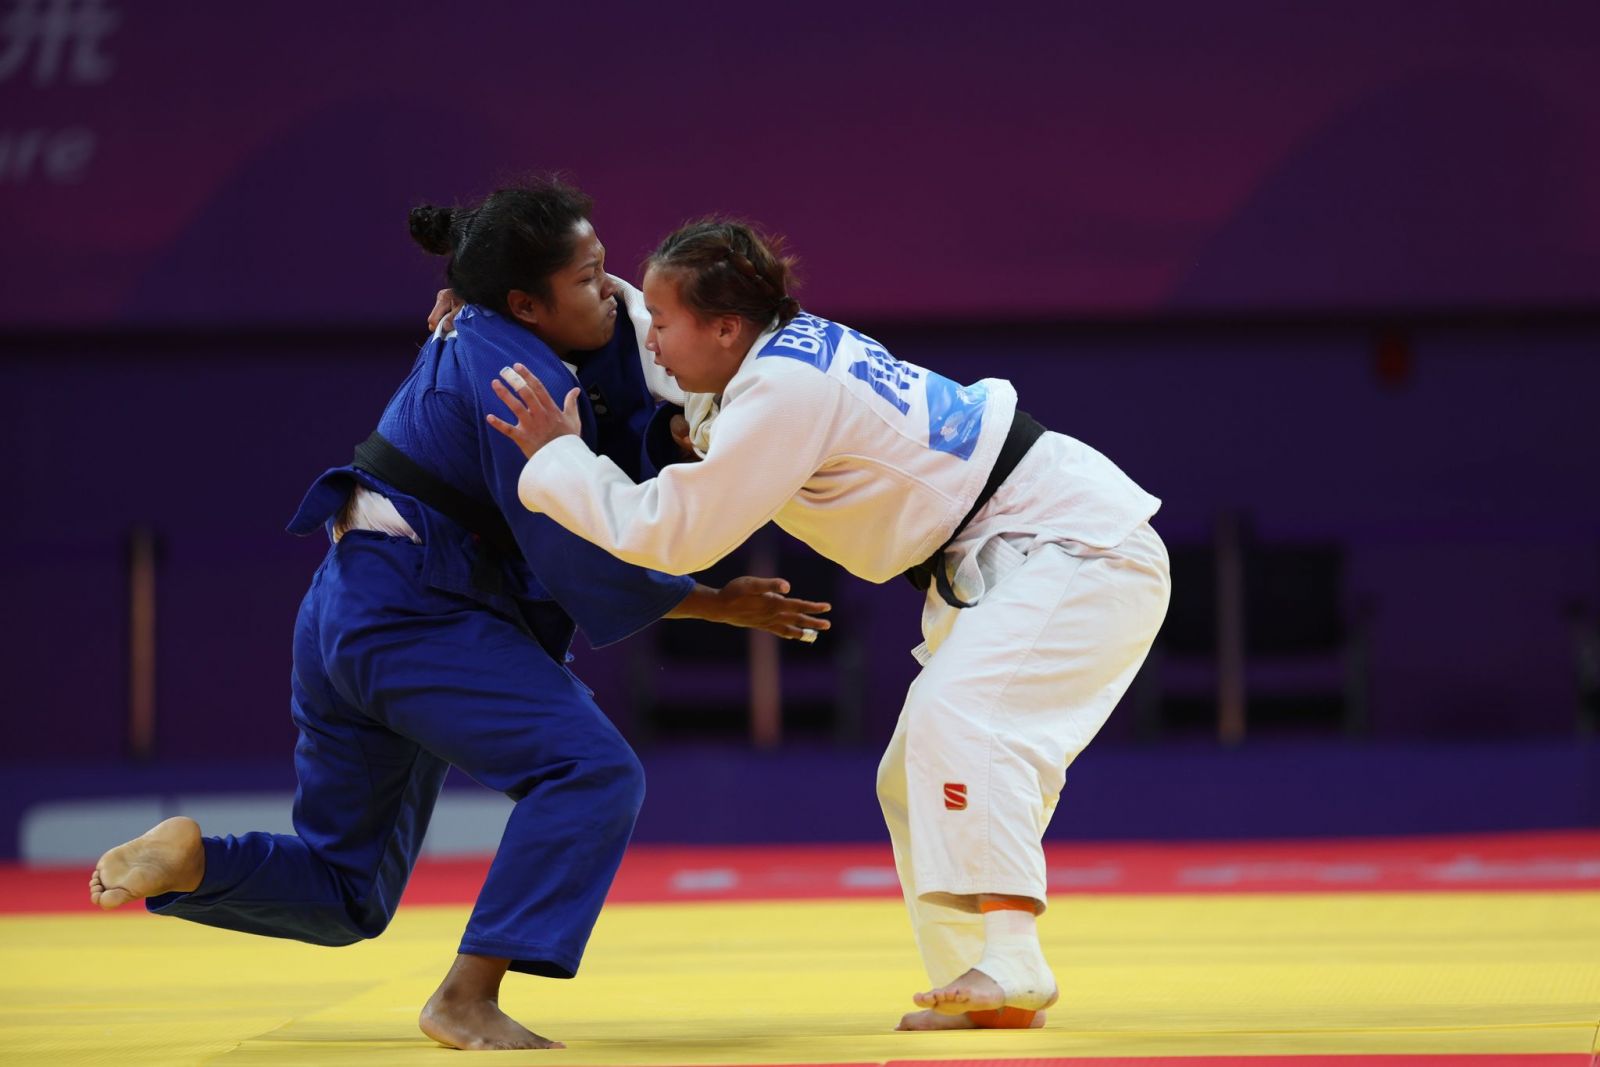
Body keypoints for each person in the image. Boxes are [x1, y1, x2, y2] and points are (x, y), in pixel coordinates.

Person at [88, 183, 830, 1052]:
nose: (609, 289)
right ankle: (465, 997)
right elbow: (569, 546)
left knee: (345, 892)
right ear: (526, 302)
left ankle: (196, 860)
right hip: (415, 613)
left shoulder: (487, 327)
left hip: (349, 607)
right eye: (587, 276)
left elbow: (615, 341)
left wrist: (659, 439)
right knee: (591, 771)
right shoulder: (522, 381)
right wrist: (711, 601)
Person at [485, 218, 1171, 1032]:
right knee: (912, 769)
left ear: (725, 327)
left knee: (962, 717)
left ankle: (1014, 959)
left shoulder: (783, 392)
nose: (652, 342)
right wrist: (482, 292)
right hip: (1012, 551)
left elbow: (670, 531)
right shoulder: (762, 346)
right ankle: (984, 984)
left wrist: (557, 455)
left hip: (1073, 542)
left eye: (666, 323)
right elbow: (639, 313)